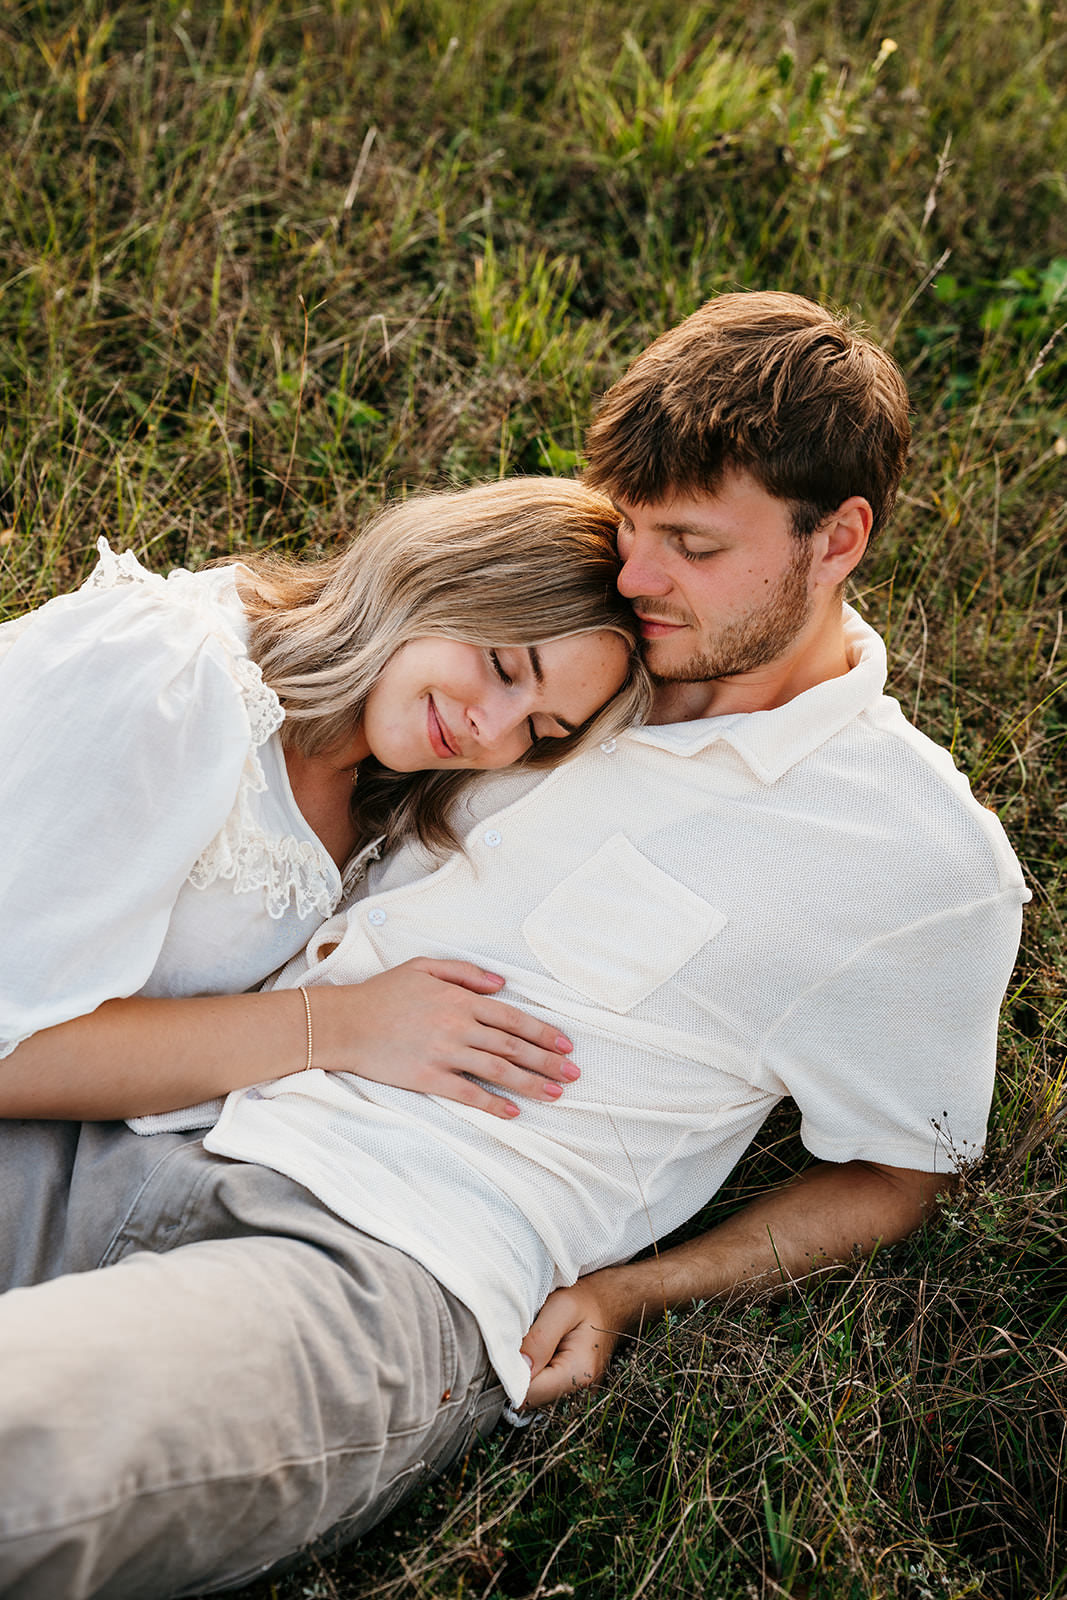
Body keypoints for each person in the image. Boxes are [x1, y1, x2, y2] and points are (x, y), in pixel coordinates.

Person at [0, 292, 1027, 1599]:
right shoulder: (568, 668)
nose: (638, 576)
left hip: (378, 1268)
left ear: (835, 540)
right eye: (633, 527)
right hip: (133, 1126)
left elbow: (896, 1173)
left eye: (693, 547)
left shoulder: (913, 860)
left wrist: (633, 1292)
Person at [0, 476, 649, 1123]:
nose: (495, 729)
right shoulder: (169, 672)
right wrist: (337, 1026)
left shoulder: (378, 804)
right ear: (433, 579)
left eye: (537, 730)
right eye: (504, 668)